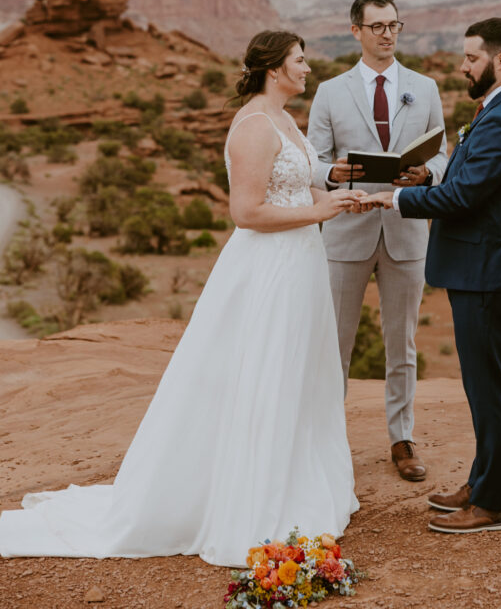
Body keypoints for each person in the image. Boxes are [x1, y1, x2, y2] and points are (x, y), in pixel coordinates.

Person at [0, 31, 362, 565]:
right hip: (268, 271)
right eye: (300, 61)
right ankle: (246, 498)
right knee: (262, 373)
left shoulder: (286, 119)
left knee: (297, 373)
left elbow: (302, 185)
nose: (308, 69)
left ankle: (296, 483)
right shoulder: (254, 128)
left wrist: (337, 198)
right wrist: (321, 213)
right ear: (272, 68)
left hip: (301, 265)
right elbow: (246, 212)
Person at [359, 17, 501, 533]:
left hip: (490, 270)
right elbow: (465, 180)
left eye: (471, 58)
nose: (463, 67)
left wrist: (392, 197)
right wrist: (426, 176)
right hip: (480, 267)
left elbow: (462, 197)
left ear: (500, 60)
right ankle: (482, 483)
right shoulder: (498, 109)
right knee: (482, 385)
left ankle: (496, 503)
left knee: (490, 391)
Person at [307, 0, 447, 482]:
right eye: (377, 26)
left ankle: (402, 439)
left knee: (401, 343)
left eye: (394, 25)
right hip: (346, 231)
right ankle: (324, 441)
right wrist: (333, 173)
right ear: (356, 32)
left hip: (406, 230)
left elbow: (442, 155)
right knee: (335, 345)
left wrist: (426, 175)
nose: (387, 34)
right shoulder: (330, 91)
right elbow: (312, 161)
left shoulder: (425, 88)